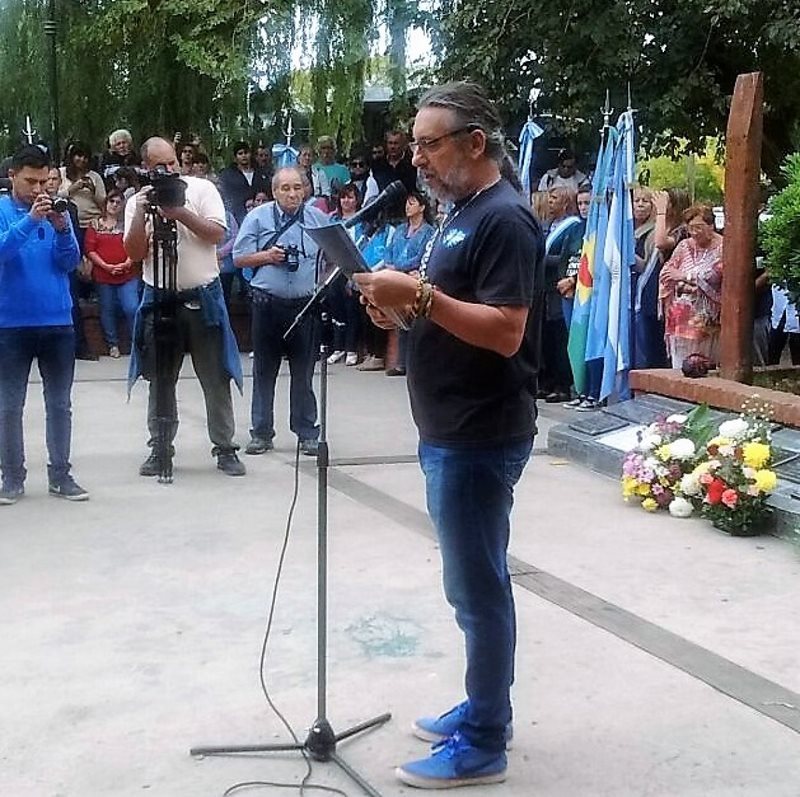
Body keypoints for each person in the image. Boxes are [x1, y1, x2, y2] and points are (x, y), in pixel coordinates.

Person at [353, 81, 544, 789]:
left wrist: (422, 295)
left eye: (430, 143)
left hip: (479, 432)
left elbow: (506, 331)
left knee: (477, 587)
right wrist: (396, 312)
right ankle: (484, 701)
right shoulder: (457, 212)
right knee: (471, 582)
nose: (419, 158)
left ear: (474, 143)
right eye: (416, 143)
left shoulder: (505, 219)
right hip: (445, 425)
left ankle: (485, 739)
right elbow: (445, 313)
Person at [124, 137, 246, 478]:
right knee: (160, 378)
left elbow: (216, 235)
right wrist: (143, 215)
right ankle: (160, 447)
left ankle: (225, 447)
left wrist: (179, 212)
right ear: (147, 167)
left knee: (216, 375)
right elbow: (133, 254)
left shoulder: (202, 189)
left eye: (173, 163)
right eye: (160, 166)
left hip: (203, 294)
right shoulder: (137, 201)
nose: (169, 170)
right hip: (158, 295)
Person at [0, 145, 87, 504]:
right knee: (9, 405)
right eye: (31, 182)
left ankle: (61, 475)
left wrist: (63, 230)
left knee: (59, 404)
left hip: (57, 321)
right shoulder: (4, 211)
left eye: (45, 182)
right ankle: (12, 477)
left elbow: (70, 263)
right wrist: (31, 221)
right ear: (12, 177)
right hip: (11, 324)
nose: (39, 190)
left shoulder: (55, 211)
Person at [232, 166, 330, 457]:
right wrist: (268, 256)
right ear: (274, 192)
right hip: (267, 304)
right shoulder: (258, 217)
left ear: (305, 189)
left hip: (305, 305)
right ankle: (261, 433)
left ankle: (306, 431)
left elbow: (337, 254)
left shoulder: (318, 219)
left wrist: (322, 282)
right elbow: (238, 258)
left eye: (297, 187)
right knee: (265, 370)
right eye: (285, 188)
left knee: (304, 372)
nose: (292, 194)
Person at [659, 205, 724, 367]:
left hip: (708, 320)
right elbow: (667, 272)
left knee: (703, 364)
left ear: (711, 226)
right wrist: (688, 285)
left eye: (699, 227)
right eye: (690, 228)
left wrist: (683, 277)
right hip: (681, 317)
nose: (694, 232)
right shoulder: (684, 246)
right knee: (680, 364)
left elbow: (713, 276)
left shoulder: (723, 248)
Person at [45, 166, 97, 361]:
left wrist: (82, 258)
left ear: (60, 182)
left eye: (54, 179)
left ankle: (79, 346)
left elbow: (76, 235)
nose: (51, 183)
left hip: (67, 259)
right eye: (47, 179)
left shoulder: (70, 208)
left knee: (72, 302)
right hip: (44, 261)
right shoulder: (32, 207)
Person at [382, 190, 435, 376]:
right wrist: (391, 265)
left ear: (422, 207)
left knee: (414, 318)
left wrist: (398, 267)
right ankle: (401, 362)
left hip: (414, 276)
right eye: (406, 203)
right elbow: (388, 252)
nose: (407, 206)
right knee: (400, 319)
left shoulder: (429, 231)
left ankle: (416, 362)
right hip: (397, 273)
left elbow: (421, 257)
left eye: (412, 203)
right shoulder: (400, 230)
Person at [84, 190, 140, 358]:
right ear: (105, 203)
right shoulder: (95, 224)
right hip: (103, 274)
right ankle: (112, 344)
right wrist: (106, 266)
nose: (115, 204)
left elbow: (136, 244)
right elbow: (90, 250)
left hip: (128, 273)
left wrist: (127, 262)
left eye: (118, 202)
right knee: (107, 310)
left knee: (132, 308)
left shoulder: (128, 224)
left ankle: (136, 344)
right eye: (112, 201)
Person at [541, 186, 581, 403]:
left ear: (565, 202)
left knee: (559, 337)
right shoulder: (547, 226)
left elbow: (569, 257)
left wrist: (543, 260)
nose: (550, 202)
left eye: (554, 198)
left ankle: (562, 384)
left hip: (560, 288)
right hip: (543, 289)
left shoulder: (573, 227)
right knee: (545, 337)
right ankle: (547, 381)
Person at [58, 141, 106, 251]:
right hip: (69, 223)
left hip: (92, 223)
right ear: (72, 156)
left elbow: (103, 203)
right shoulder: (61, 173)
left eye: (85, 157)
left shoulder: (95, 176)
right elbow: (55, 195)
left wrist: (92, 190)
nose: (82, 160)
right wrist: (72, 189)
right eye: (79, 156)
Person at [218, 141, 271, 224]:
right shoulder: (228, 175)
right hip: (238, 216)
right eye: (240, 153)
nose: (244, 156)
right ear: (235, 157)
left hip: (261, 215)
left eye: (246, 153)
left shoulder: (261, 173)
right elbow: (227, 197)